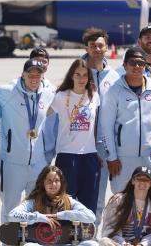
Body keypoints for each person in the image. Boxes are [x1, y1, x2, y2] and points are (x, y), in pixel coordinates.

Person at [100, 47, 151, 192]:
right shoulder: (114, 91)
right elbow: (106, 126)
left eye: (141, 63)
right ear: (124, 65)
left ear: (145, 66)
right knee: (121, 202)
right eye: (132, 62)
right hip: (122, 159)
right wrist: (112, 157)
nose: (137, 66)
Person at [0, 58, 57, 223]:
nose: (34, 78)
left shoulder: (49, 93)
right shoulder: (7, 91)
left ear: (43, 76)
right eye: (31, 75)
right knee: (11, 209)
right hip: (12, 163)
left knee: (37, 207)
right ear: (22, 75)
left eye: (38, 74)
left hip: (38, 163)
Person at [81, 27, 121, 228]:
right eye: (92, 46)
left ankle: (92, 237)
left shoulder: (114, 77)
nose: (97, 49)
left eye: (100, 45)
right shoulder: (78, 73)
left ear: (106, 47)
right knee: (75, 195)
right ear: (86, 48)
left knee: (98, 196)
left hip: (104, 147)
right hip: (78, 144)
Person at [49, 58, 101, 215]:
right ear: (71, 76)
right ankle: (66, 238)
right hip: (67, 155)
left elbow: (96, 125)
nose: (81, 78)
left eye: (85, 75)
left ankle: (85, 237)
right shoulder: (60, 96)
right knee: (65, 203)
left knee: (89, 205)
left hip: (89, 155)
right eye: (77, 74)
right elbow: (42, 116)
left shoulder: (94, 96)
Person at [7, 165, 98, 246]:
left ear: (61, 183)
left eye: (56, 181)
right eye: (49, 181)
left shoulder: (68, 201)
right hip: (40, 244)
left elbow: (91, 217)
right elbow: (12, 215)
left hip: (65, 243)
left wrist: (60, 215)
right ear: (43, 182)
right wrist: (39, 217)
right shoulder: (34, 201)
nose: (53, 184)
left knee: (92, 244)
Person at [100, 166, 151, 246]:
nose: (142, 183)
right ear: (133, 181)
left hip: (145, 244)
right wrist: (123, 243)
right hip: (122, 243)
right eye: (139, 179)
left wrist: (143, 244)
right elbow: (109, 228)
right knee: (104, 242)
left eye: (146, 180)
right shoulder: (118, 200)